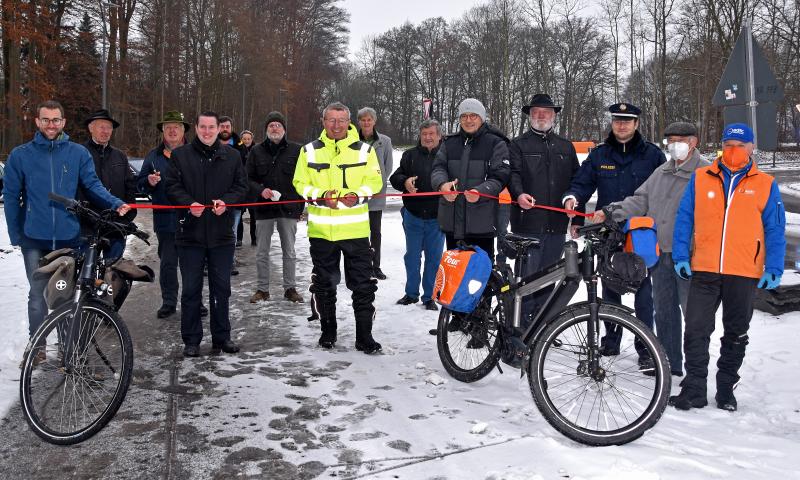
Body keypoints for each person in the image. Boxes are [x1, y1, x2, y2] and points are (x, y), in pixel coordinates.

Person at [669, 123, 785, 411]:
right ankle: (695, 388)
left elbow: (775, 228)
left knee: (736, 331)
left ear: (751, 148)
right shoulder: (701, 177)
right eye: (728, 145)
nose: (734, 151)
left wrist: (774, 266)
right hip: (705, 268)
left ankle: (725, 388)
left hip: (744, 270)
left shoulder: (765, 183)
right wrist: (681, 255)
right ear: (722, 146)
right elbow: (685, 218)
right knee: (696, 328)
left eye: (740, 146)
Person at [3, 100, 130, 348]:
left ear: (63, 122)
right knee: (37, 296)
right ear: (38, 122)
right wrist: (15, 233)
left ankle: (67, 347)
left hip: (68, 238)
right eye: (46, 120)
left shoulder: (77, 153)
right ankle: (36, 346)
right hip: (34, 239)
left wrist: (116, 203)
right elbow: (10, 196)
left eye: (56, 120)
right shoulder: (20, 155)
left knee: (66, 296)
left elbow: (92, 185)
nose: (51, 125)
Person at [591, 121, 710, 376]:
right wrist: (611, 211)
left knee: (694, 316)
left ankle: (697, 373)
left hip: (691, 256)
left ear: (694, 142)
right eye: (671, 140)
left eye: (682, 140)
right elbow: (640, 199)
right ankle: (668, 364)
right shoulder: (662, 172)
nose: (675, 145)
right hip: (661, 254)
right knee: (665, 312)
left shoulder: (706, 173)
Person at [563, 102, 665, 365]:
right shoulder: (600, 155)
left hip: (639, 234)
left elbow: (661, 193)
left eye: (627, 121)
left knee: (643, 293)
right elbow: (581, 185)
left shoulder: (652, 156)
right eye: (618, 120)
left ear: (636, 124)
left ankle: (646, 351)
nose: (622, 125)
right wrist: (573, 201)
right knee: (609, 289)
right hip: (608, 233)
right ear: (612, 123)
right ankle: (611, 342)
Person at [293, 102, 384, 354]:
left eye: (341, 120)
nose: (336, 125)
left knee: (363, 286)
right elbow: (300, 183)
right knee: (325, 285)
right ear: (323, 121)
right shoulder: (308, 151)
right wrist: (321, 195)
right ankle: (328, 331)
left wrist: (358, 195)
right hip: (322, 233)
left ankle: (364, 336)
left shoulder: (364, 150)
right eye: (331, 120)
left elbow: (375, 182)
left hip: (355, 232)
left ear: (349, 122)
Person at [165, 111, 248, 357]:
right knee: (191, 289)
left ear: (218, 129)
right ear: (197, 129)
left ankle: (222, 337)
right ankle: (191, 340)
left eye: (212, 127)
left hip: (221, 236)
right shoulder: (181, 155)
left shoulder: (232, 156)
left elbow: (241, 187)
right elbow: (171, 186)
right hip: (190, 235)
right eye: (203, 127)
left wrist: (227, 202)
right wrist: (188, 203)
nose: (208, 131)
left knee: (221, 288)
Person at [508, 93, 581, 328]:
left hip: (557, 226)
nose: (541, 116)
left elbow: (576, 181)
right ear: (530, 116)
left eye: (546, 112)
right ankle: (522, 326)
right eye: (537, 112)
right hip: (527, 224)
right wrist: (518, 194)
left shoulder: (565, 146)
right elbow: (513, 176)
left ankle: (543, 326)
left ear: (554, 116)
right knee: (528, 278)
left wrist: (572, 200)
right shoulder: (518, 145)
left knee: (550, 277)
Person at [430, 98, 511, 260]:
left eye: (473, 116)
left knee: (481, 275)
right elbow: (438, 168)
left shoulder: (496, 143)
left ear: (481, 118)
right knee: (455, 273)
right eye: (464, 116)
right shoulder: (449, 143)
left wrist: (481, 192)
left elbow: (500, 176)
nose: (468, 120)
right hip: (452, 221)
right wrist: (442, 185)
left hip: (482, 222)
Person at [246, 111, 304, 304]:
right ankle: (262, 289)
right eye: (271, 125)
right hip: (263, 209)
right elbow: (247, 179)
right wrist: (260, 190)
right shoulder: (256, 151)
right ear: (266, 129)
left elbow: (304, 179)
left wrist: (299, 206)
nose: (274, 128)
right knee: (262, 252)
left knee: (289, 251)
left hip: (288, 208)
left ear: (284, 129)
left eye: (278, 125)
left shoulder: (297, 150)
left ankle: (290, 288)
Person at [137, 110, 191, 319]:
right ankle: (169, 301)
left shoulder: (193, 152)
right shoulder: (153, 156)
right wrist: (148, 182)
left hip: (191, 219)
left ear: (183, 130)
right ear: (162, 132)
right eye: (167, 128)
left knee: (192, 264)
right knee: (168, 264)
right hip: (165, 222)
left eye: (176, 127)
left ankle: (194, 300)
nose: (172, 130)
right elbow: (140, 184)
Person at [389, 119, 445, 312]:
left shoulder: (446, 155)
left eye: (431, 134)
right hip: (413, 215)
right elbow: (395, 178)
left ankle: (429, 296)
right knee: (412, 256)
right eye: (424, 134)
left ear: (439, 135)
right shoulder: (409, 155)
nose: (427, 138)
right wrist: (404, 182)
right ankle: (411, 293)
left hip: (437, 217)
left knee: (433, 258)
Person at [82, 109, 138, 259]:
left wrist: (128, 215)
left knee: (113, 271)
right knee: (85, 272)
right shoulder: (80, 153)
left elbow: (130, 186)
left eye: (109, 127)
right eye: (101, 126)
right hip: (86, 225)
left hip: (115, 224)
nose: (105, 131)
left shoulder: (119, 156)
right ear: (91, 128)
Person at [357, 107, 393, 280]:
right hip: (356, 194)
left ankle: (375, 265)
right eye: (363, 120)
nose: (366, 123)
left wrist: (376, 185)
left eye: (369, 119)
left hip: (377, 194)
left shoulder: (384, 141)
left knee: (375, 231)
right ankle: (360, 265)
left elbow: (387, 166)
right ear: (358, 122)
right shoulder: (351, 140)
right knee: (358, 231)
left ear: (374, 121)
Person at [218, 115, 247, 261]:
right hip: (214, 198)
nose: (224, 129)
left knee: (232, 231)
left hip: (235, 199)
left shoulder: (240, 148)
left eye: (227, 126)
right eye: (222, 126)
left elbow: (244, 174)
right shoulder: (209, 144)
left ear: (231, 128)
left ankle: (230, 259)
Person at [239, 129, 258, 246]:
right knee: (238, 215)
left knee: (254, 215)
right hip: (241, 186)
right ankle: (239, 239)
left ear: (252, 139)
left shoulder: (257, 151)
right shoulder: (237, 150)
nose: (246, 141)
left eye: (248, 139)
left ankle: (254, 239)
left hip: (253, 187)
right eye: (244, 139)